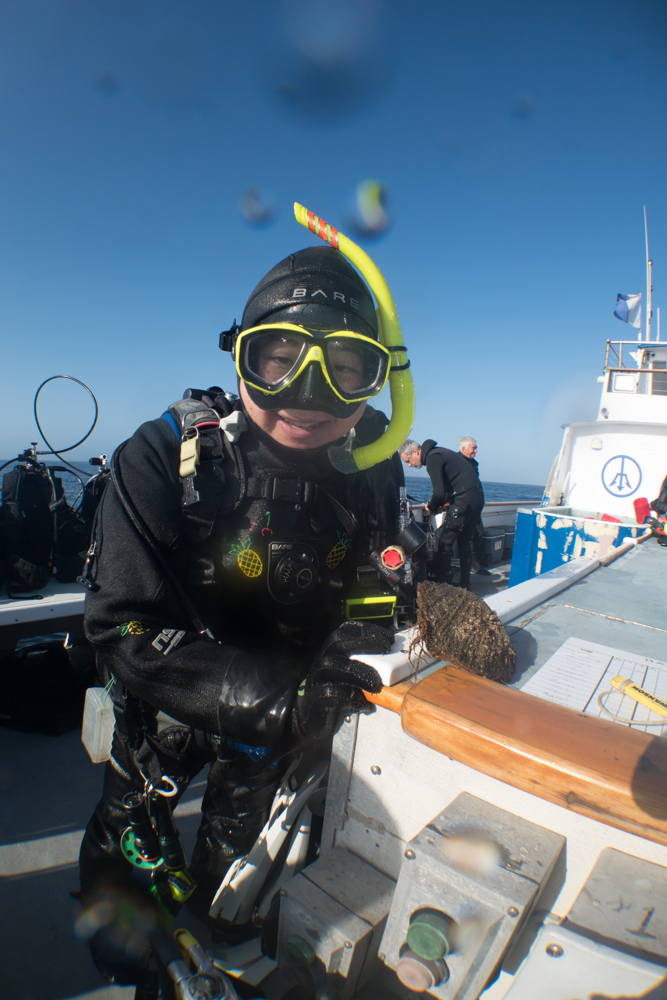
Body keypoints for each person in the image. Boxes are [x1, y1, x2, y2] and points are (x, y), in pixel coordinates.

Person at [78, 237, 414, 984]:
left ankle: (219, 943)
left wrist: (355, 652)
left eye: (346, 367)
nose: (308, 392)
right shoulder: (167, 453)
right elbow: (120, 624)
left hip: (286, 722)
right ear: (240, 355)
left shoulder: (372, 468)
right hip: (172, 701)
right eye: (279, 357)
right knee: (130, 856)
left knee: (234, 889)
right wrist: (281, 699)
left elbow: (374, 579)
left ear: (377, 379)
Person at [399, 436, 485, 589]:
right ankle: (465, 584)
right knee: (464, 542)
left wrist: (432, 507)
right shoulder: (439, 452)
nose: (410, 465)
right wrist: (436, 505)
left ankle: (440, 585)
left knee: (444, 542)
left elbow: (438, 493)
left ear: (415, 452)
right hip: (477, 498)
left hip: (464, 500)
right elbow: (445, 491)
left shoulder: (433, 458)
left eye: (408, 461)